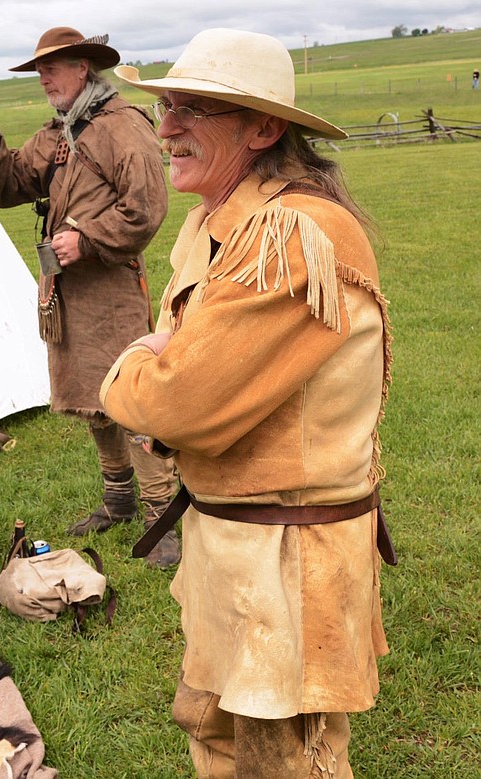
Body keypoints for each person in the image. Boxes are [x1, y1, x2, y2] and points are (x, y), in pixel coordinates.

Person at [100, 29, 393, 776]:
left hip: (286, 563)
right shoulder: (218, 223)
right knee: (219, 739)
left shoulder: (291, 236)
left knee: (286, 760)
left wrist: (134, 362)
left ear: (263, 129)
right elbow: (181, 355)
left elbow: (170, 400)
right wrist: (165, 358)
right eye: (165, 106)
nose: (164, 128)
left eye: (192, 109)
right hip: (233, 546)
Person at [0, 27, 180, 567]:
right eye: (39, 70)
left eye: (52, 68)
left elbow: (147, 207)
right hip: (69, 291)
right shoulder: (62, 131)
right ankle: (119, 500)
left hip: (109, 287)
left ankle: (162, 517)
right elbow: (10, 184)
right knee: (95, 399)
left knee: (131, 400)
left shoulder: (122, 126)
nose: (44, 79)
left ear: (83, 68)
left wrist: (87, 239)